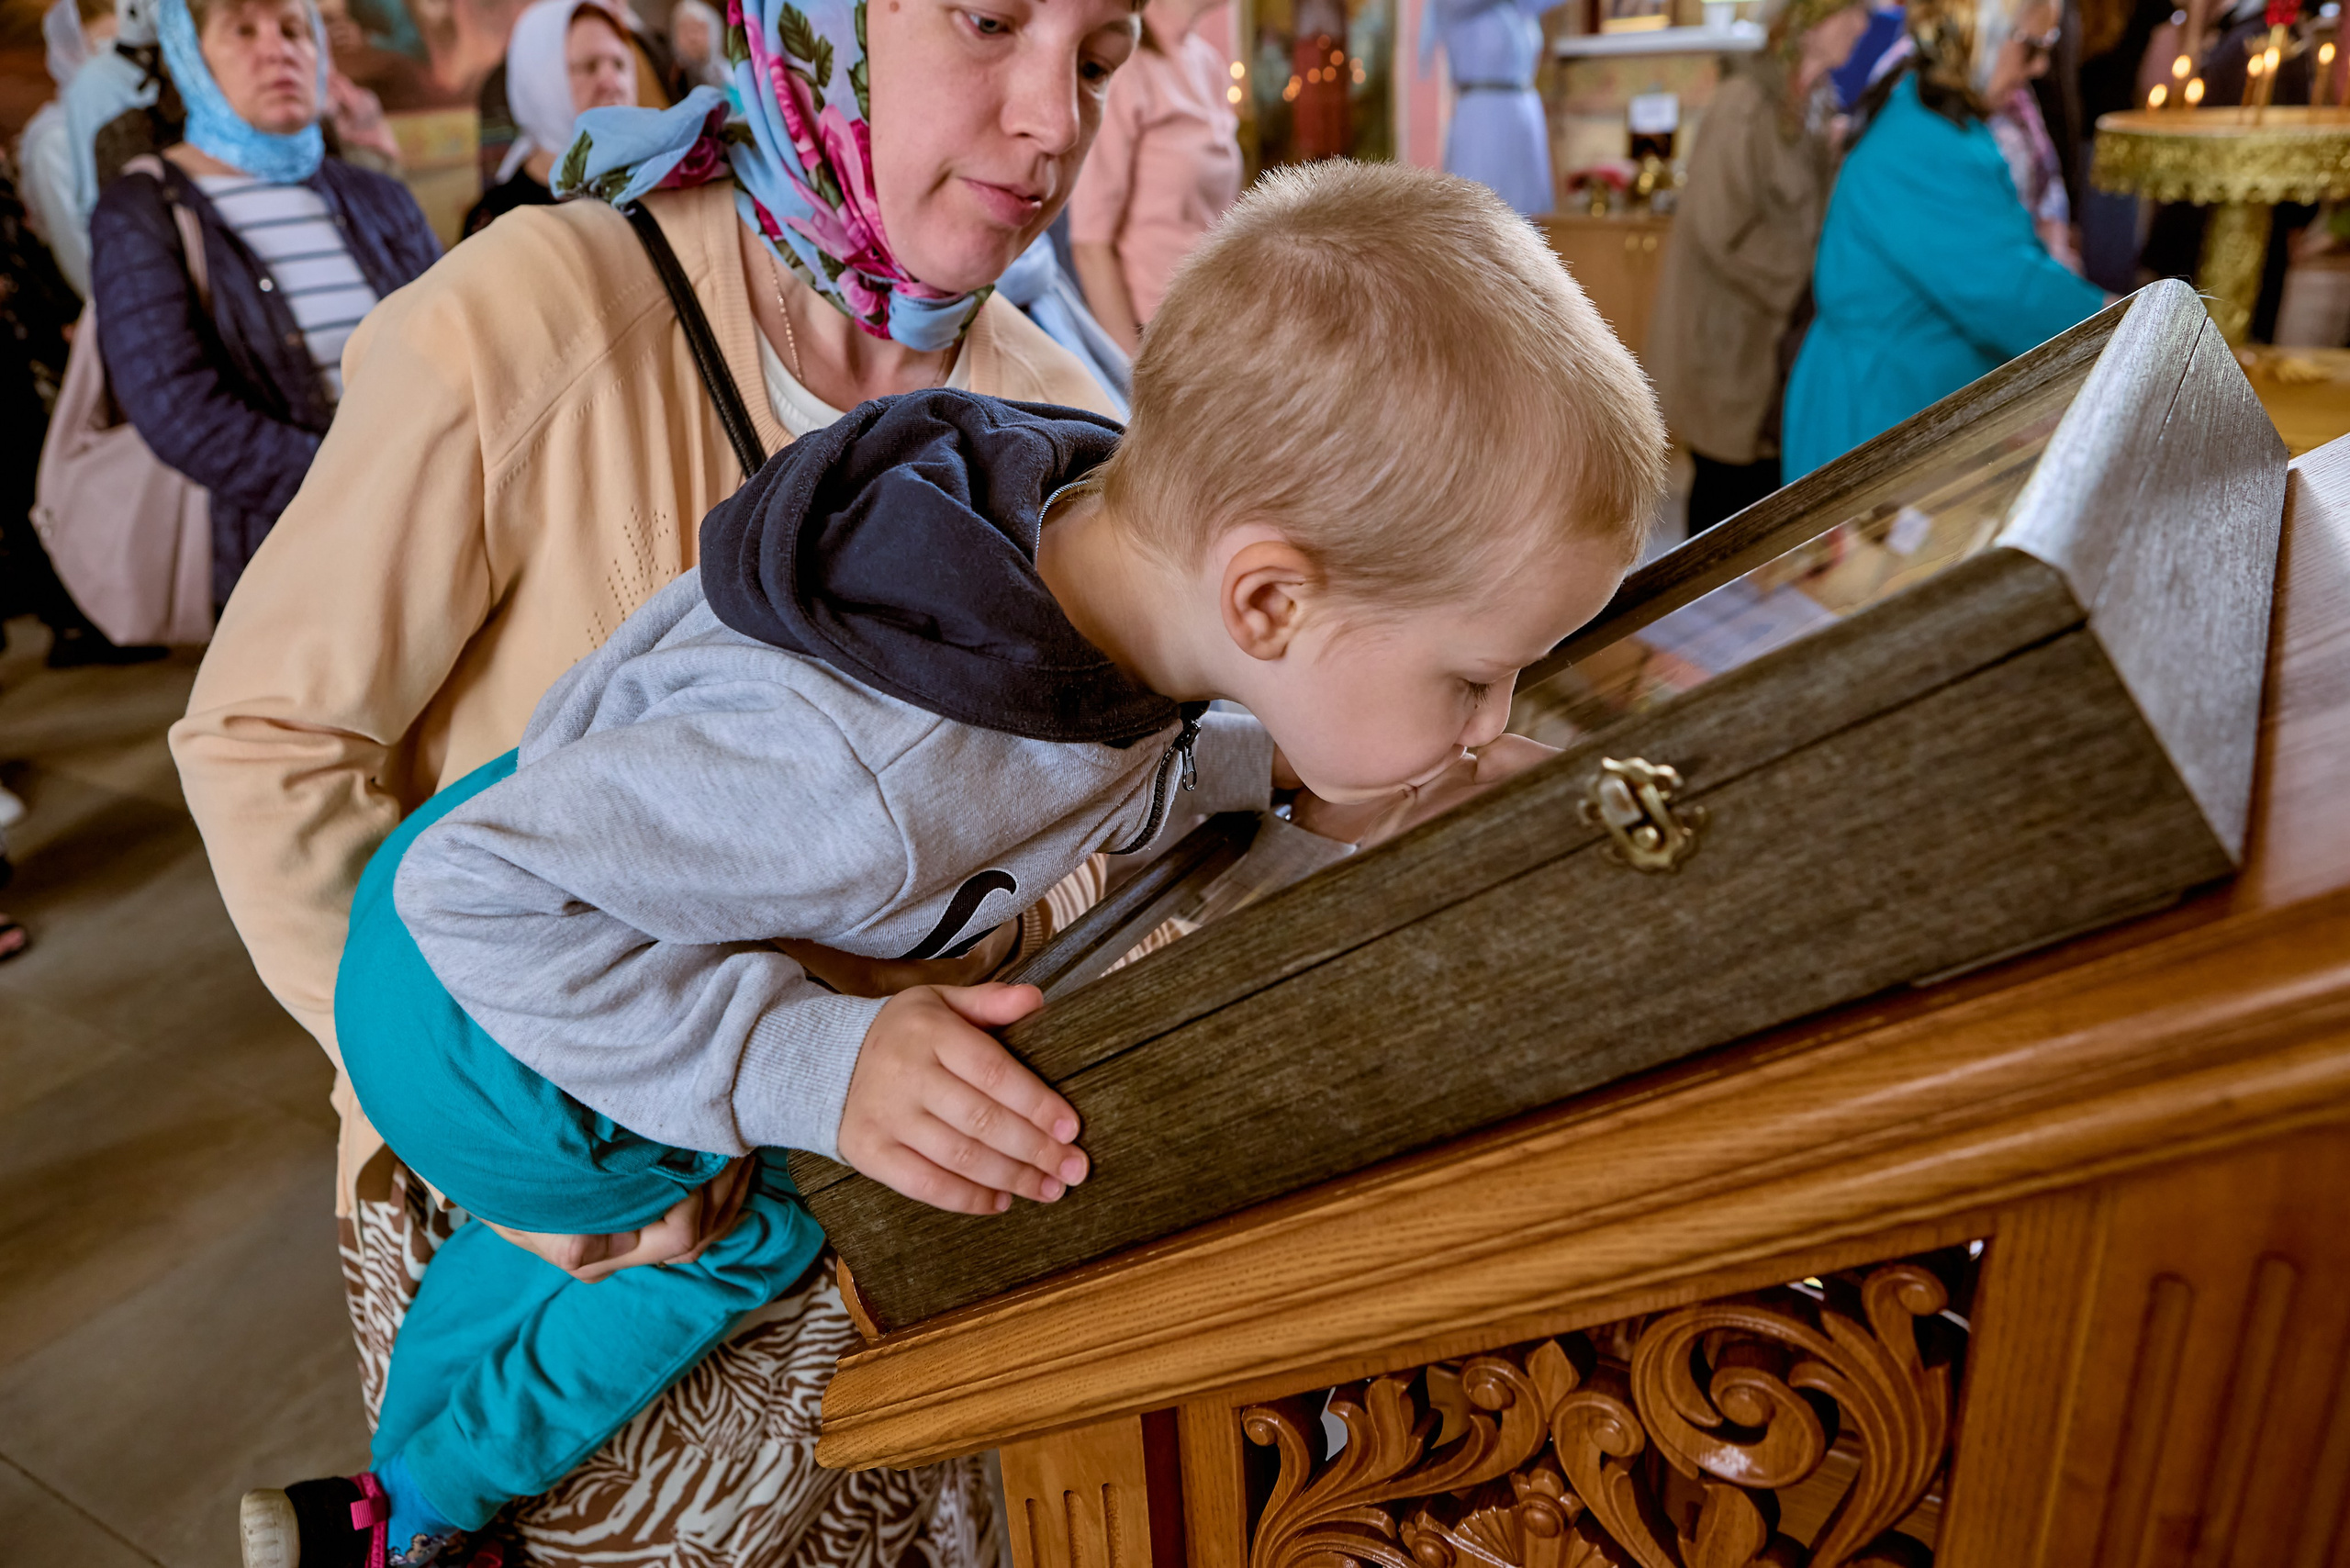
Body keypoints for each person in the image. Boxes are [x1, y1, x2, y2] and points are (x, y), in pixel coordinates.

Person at [237, 156, 1667, 1568]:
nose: (1489, 721)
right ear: (1271, 596)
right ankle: (415, 1503)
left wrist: (1298, 759)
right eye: (1478, 680)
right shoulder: (869, 772)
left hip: (585, 866)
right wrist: (796, 1059)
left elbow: (1126, 750)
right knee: (755, 1220)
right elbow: (471, 891)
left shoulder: (1083, 536)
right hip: (488, 1008)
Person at [170, 0, 1175, 1551]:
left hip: (905, 1264)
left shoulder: (1064, 426)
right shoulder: (538, 316)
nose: (1056, 118)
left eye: (1101, 56)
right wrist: (501, 1135)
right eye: (988, 20)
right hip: (572, 1240)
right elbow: (272, 744)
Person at [87, 0, 439, 610]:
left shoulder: (378, 195)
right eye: (243, 31)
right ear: (189, 58)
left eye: (295, 30)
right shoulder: (143, 210)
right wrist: (355, 482)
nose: (278, 50)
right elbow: (179, 409)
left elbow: (452, 341)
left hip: (431, 527)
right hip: (284, 562)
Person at [1781, 0, 2105, 478]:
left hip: (1905, 399)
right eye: (2032, 46)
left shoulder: (1935, 116)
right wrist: (2121, 318)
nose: (2039, 66)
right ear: (1976, 34)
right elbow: (2006, 291)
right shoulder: (1921, 144)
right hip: (1876, 415)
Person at [1646, 0, 1870, 533]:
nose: (1863, 26)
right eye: (1853, 11)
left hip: (1770, 343)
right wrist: (1813, 282)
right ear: (1810, 19)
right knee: (1724, 503)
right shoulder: (1744, 101)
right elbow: (1720, 228)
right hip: (1727, 342)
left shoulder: (1816, 98)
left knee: (1763, 500)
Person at [1065, 0, 1239, 352]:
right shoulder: (1123, 67)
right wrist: (1136, 378)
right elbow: (1090, 245)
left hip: (1216, 324)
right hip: (1157, 336)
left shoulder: (1209, 64)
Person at [462, 0, 635, 235]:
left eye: (619, 64)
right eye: (589, 66)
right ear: (541, 84)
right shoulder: (497, 224)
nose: (615, 83)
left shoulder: (651, 191)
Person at [1423, 0, 1572, 217]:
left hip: (1524, 111)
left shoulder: (1517, 7)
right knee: (1481, 211)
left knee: (1528, 214)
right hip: (1483, 116)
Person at [666, 0, 725, 87]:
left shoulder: (731, 79)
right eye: (685, 30)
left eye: (699, 29)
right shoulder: (668, 77)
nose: (692, 38)